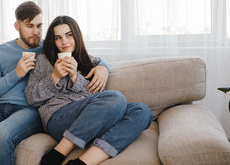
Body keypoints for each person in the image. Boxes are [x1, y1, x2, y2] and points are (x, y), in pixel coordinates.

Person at [0, 1, 108, 165]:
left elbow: (84, 57)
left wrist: (103, 67)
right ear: (17, 26)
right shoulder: (0, 51)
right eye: (29, 26)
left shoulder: (49, 48)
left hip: (29, 111)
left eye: (39, 26)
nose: (36, 32)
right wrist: (17, 73)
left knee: (0, 136)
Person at [25, 15, 153, 165]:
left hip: (91, 121)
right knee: (116, 98)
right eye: (58, 38)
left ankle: (82, 163)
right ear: (53, 41)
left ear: (77, 36)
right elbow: (31, 97)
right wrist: (55, 77)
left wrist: (75, 77)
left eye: (68, 35)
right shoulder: (43, 59)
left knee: (142, 110)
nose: (64, 42)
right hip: (58, 118)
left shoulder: (90, 62)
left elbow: (100, 100)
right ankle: (58, 153)